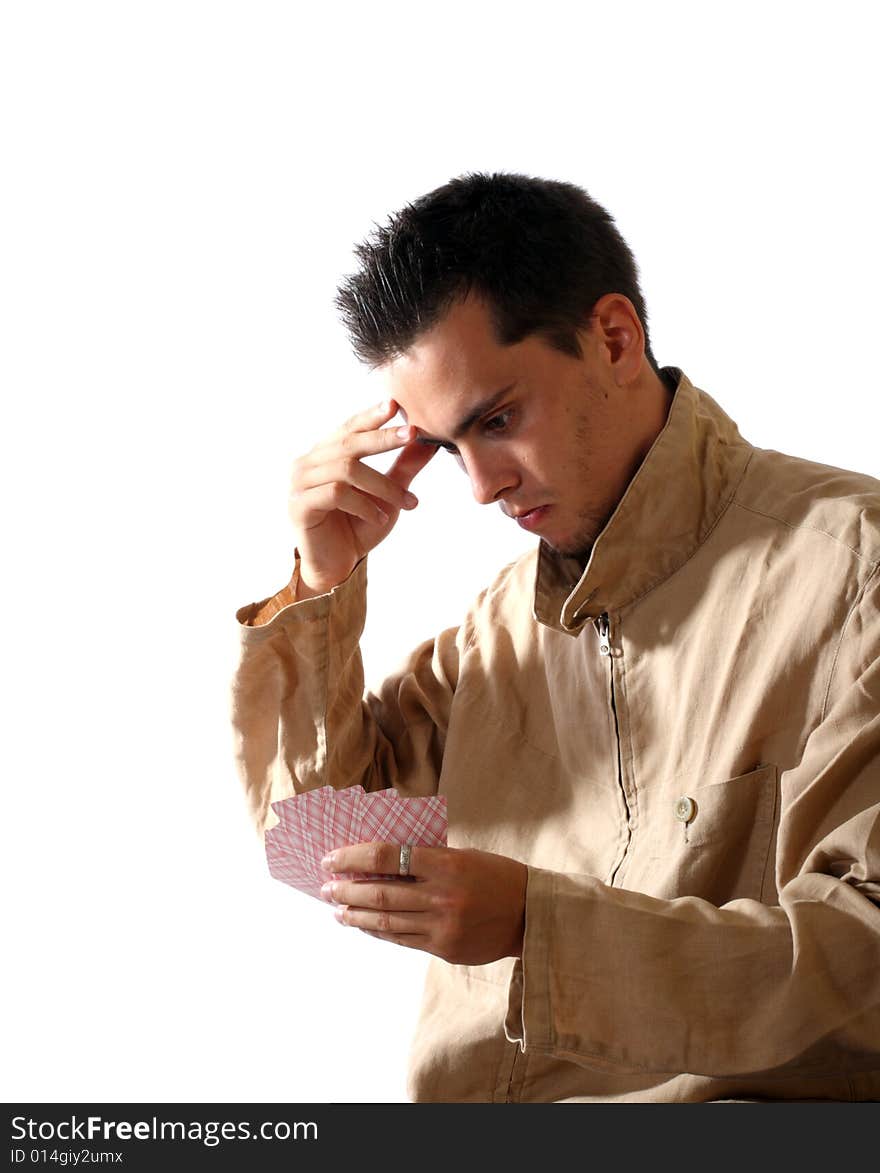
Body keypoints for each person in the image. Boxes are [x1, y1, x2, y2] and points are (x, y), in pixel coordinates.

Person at [230, 172, 880, 1102]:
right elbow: (316, 841)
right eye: (452, 446)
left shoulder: (857, 570)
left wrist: (541, 928)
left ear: (614, 337)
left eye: (498, 420)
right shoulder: (497, 635)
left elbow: (865, 963)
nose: (482, 488)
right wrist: (324, 581)